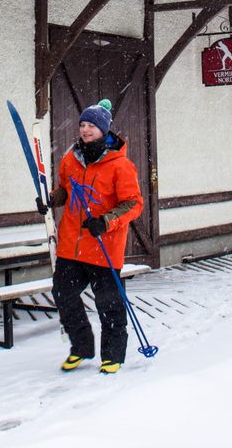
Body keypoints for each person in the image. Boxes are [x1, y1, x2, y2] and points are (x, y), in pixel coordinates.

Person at [49, 98, 143, 375]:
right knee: (63, 294)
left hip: (104, 246)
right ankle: (81, 346)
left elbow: (133, 204)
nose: (85, 130)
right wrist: (52, 198)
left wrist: (106, 221)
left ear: (103, 129)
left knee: (109, 304)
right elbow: (66, 189)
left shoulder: (120, 165)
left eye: (91, 125)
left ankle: (112, 355)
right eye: (82, 124)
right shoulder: (71, 159)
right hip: (71, 246)